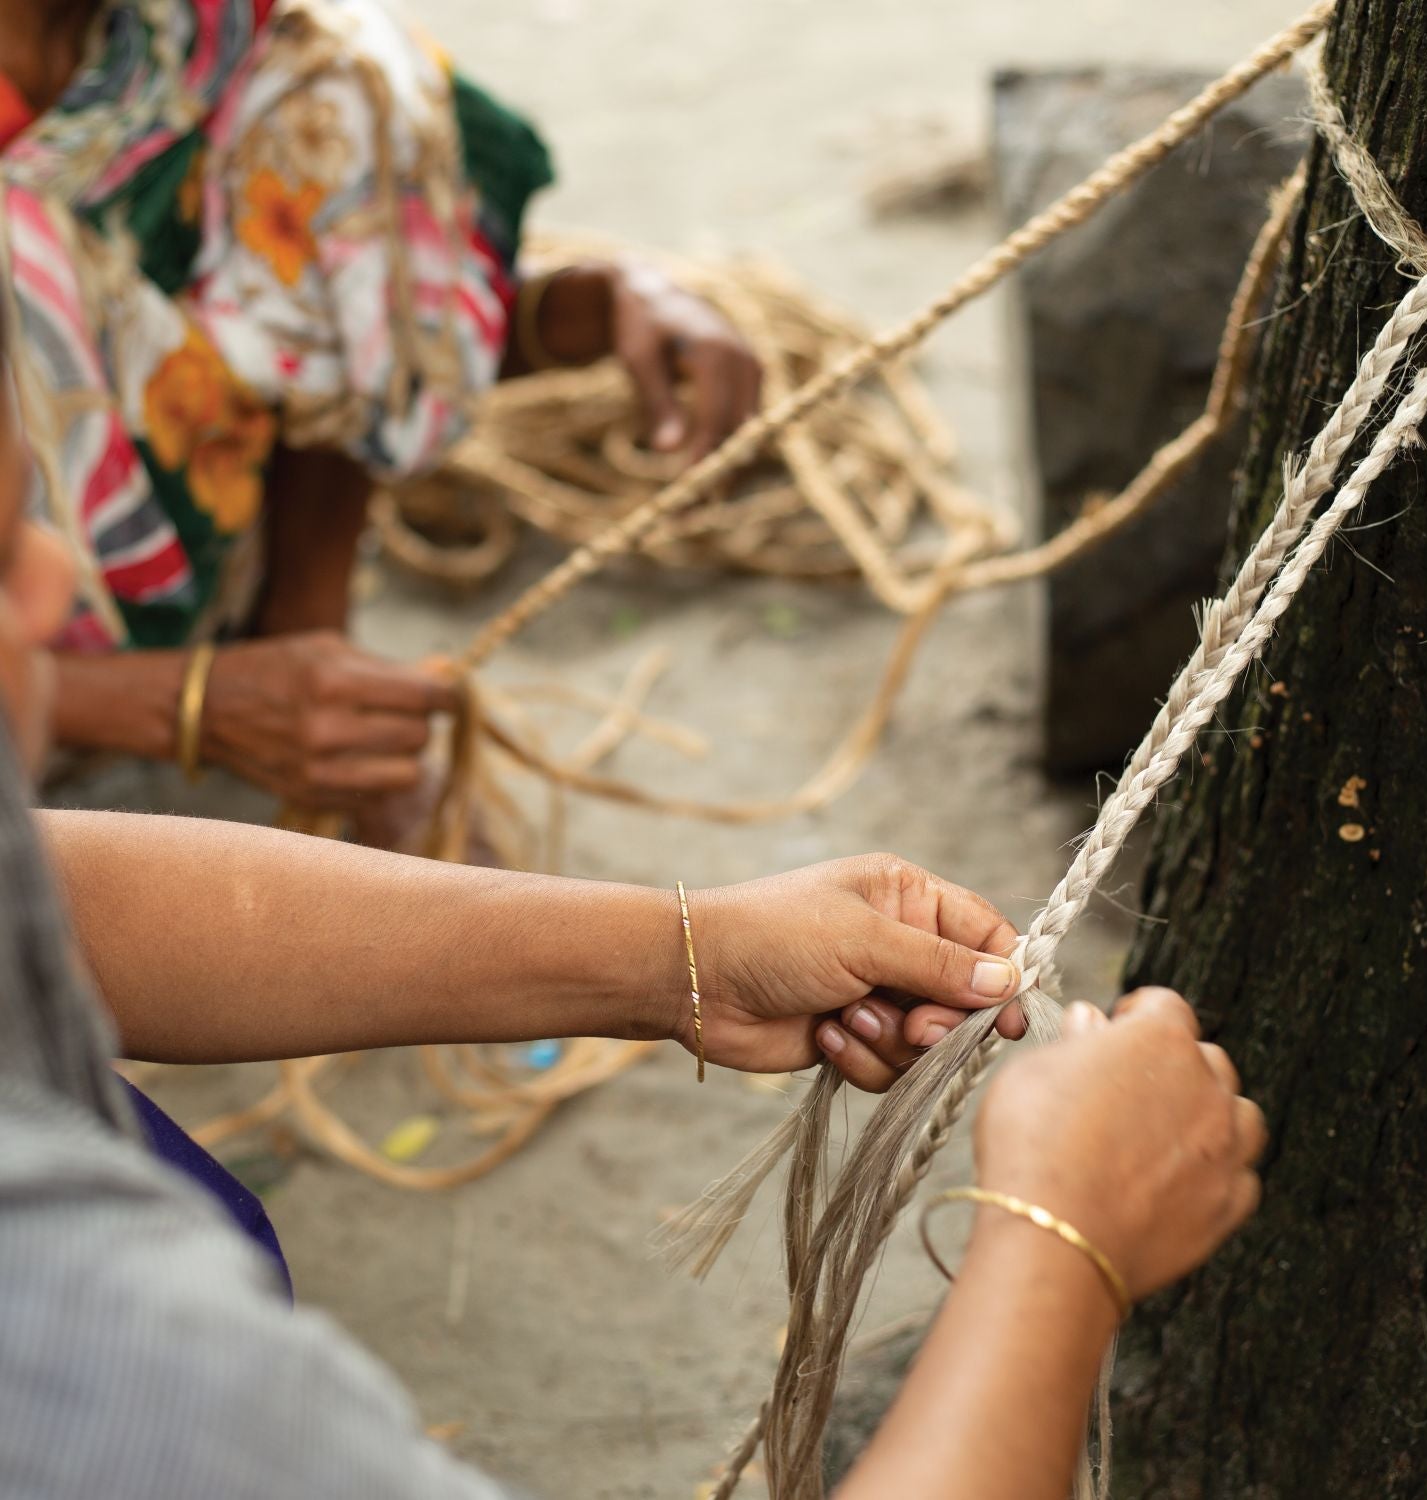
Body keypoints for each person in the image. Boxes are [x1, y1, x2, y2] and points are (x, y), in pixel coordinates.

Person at [0, 288, 1268, 1497]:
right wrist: (1061, 1243)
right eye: (1, 558)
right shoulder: (92, 1347)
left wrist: (688, 956)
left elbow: (47, 899)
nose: (56, 584)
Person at [0, 0, 761, 848]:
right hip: (36, 664)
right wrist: (190, 705)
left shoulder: (221, 44)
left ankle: (303, 640)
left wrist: (589, 305)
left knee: (338, 96)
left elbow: (295, 322)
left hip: (202, 599)